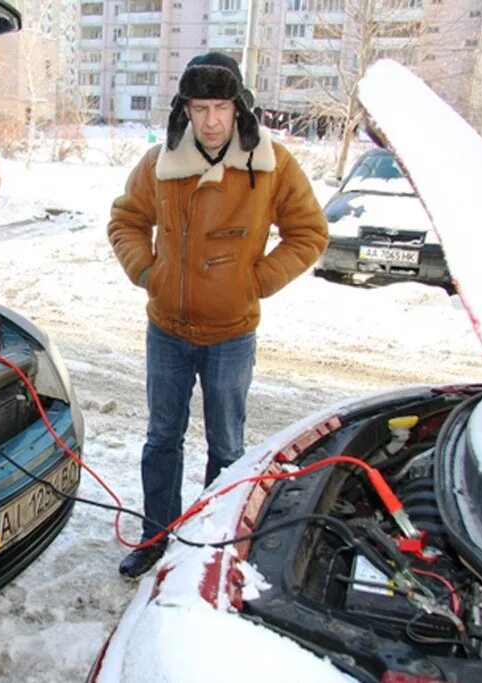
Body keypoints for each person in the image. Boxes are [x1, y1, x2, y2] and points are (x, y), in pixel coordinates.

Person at [107, 52, 329, 578]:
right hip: (168, 331)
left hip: (231, 335)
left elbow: (310, 233)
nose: (210, 120)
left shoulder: (272, 165)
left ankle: (211, 545)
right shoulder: (161, 163)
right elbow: (125, 221)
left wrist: (257, 281)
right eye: (200, 107)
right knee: (163, 439)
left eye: (221, 107)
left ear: (239, 109)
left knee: (227, 446)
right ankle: (156, 535)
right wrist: (147, 273)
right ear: (185, 109)